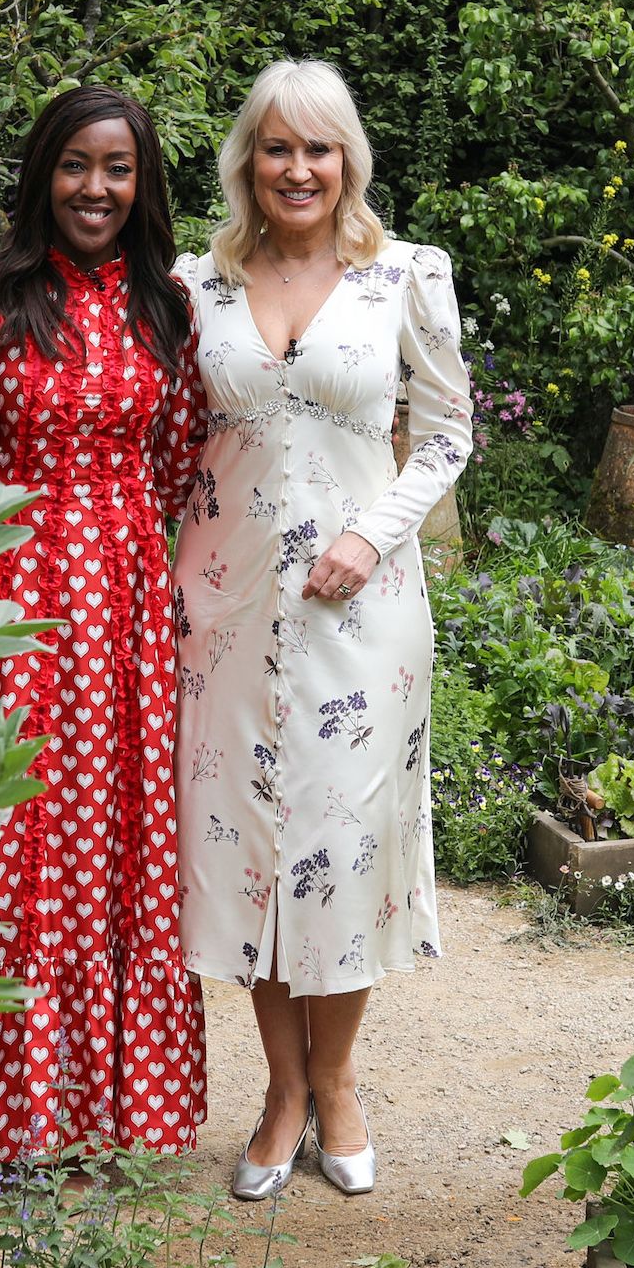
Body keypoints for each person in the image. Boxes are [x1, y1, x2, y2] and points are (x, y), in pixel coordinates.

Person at [171, 59, 471, 1198]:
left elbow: (446, 435)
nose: (299, 168)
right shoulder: (194, 282)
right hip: (227, 614)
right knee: (251, 843)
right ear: (247, 160)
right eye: (276, 147)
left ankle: (336, 1083)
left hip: (364, 617)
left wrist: (373, 532)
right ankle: (279, 1090)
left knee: (344, 847)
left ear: (350, 159)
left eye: (320, 148)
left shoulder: (404, 275)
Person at [0, 85, 208, 1158]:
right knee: (11, 839)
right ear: (45, 173)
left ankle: (106, 1116)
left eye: (118, 169)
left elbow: (178, 468)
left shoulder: (167, 302)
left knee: (117, 840)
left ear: (143, 183)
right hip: (13, 604)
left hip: (122, 618)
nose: (96, 189)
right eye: (77, 165)